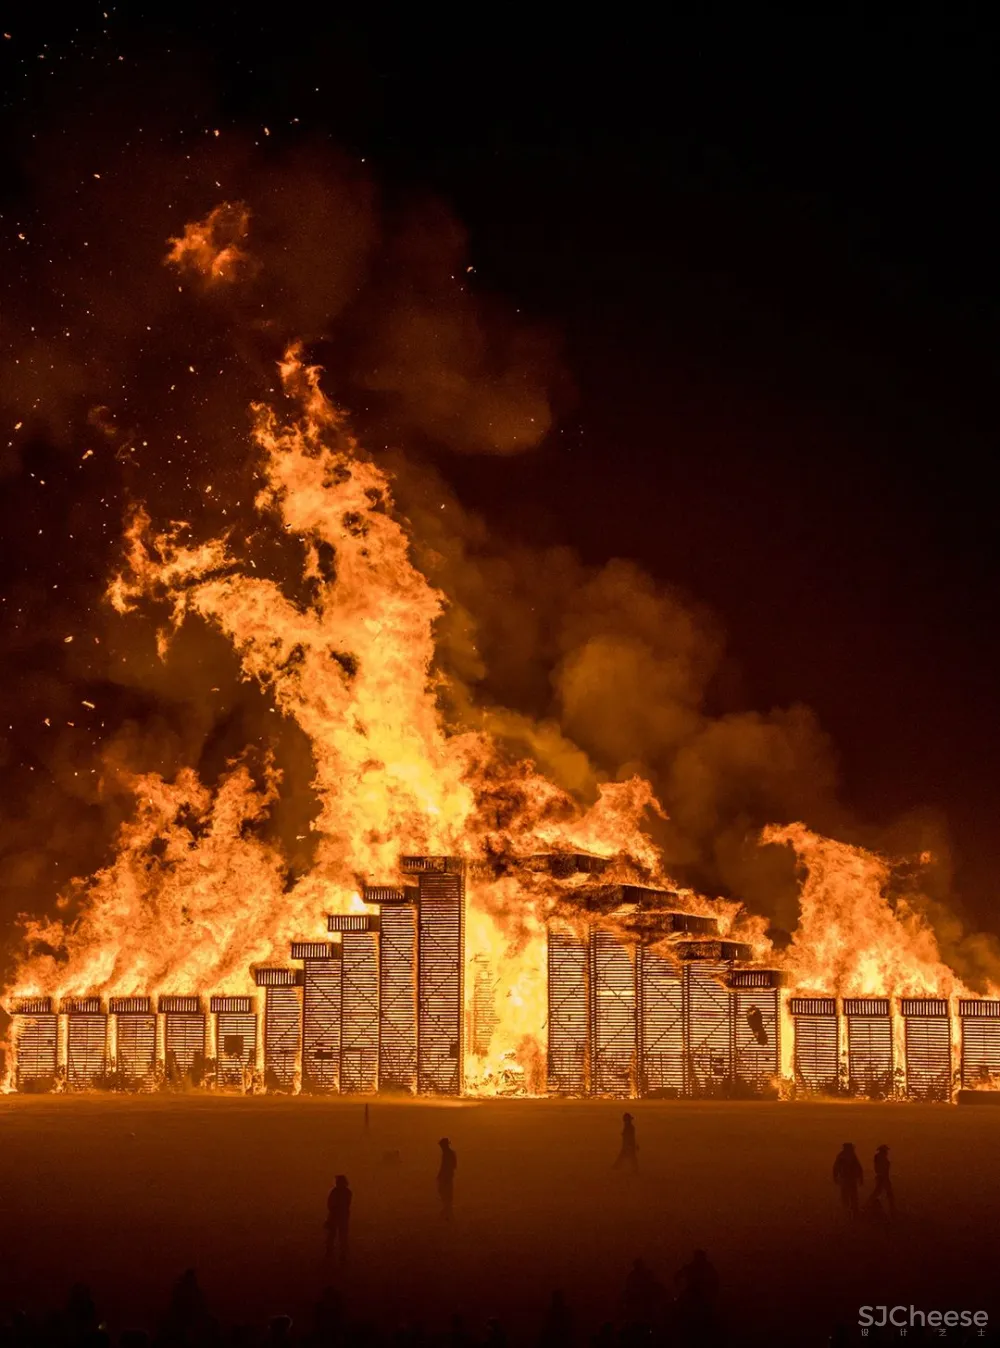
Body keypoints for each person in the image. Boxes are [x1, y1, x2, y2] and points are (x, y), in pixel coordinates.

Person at [832, 1143, 864, 1218]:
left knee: (852, 1196)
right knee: (848, 1196)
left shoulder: (849, 1156)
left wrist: (835, 1177)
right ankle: (848, 1212)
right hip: (846, 1179)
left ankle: (852, 1212)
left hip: (849, 1179)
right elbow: (836, 1168)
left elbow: (858, 1167)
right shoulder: (844, 1156)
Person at [325, 1175, 352, 1263]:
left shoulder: (334, 1191)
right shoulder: (348, 1192)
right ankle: (338, 1253)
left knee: (335, 1235)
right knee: (339, 1236)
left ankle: (333, 1253)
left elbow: (330, 1204)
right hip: (342, 1215)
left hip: (336, 1215)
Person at [872, 1144, 895, 1217]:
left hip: (883, 1177)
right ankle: (892, 1208)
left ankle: (892, 1208)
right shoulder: (880, 1157)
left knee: (879, 1192)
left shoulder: (880, 1157)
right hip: (882, 1177)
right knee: (886, 1192)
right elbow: (879, 1168)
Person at [438, 1137, 458, 1220]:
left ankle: (447, 1210)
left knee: (445, 1192)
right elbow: (454, 1166)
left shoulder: (447, 1154)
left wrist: (442, 1174)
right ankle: (447, 1209)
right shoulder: (451, 1153)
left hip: (447, 1176)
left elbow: (445, 1166)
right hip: (448, 1175)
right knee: (446, 1192)